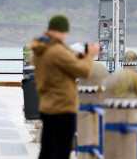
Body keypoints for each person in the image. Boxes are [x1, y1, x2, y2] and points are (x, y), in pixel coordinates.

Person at [31, 15, 100, 159]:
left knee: (47, 150)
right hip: (62, 108)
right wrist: (91, 56)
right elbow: (84, 71)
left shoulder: (42, 48)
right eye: (65, 33)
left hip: (47, 106)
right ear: (60, 31)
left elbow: (62, 63)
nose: (65, 36)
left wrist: (81, 56)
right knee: (61, 151)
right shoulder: (57, 50)